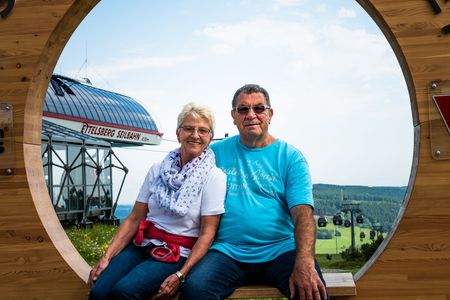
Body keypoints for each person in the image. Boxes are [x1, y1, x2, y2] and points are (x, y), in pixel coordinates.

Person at [180, 84, 328, 300]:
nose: (251, 115)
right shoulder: (213, 154)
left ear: (270, 114)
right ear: (233, 116)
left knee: (312, 292)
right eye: (243, 109)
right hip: (227, 252)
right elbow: (182, 175)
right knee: (195, 289)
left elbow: (303, 214)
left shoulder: (290, 157)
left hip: (281, 250)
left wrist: (305, 261)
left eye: (259, 108)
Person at [88, 102, 226, 300]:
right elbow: (135, 218)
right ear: (178, 133)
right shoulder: (158, 169)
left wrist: (181, 274)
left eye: (203, 130)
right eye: (189, 128)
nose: (195, 135)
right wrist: (106, 257)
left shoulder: (214, 177)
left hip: (177, 253)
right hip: (142, 244)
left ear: (210, 138)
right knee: (99, 290)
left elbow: (207, 234)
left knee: (124, 292)